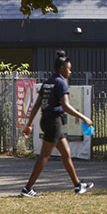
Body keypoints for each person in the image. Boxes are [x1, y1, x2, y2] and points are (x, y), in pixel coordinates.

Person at [18, 53, 93, 196]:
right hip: (54, 122)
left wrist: (29, 124)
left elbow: (36, 106)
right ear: (62, 68)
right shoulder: (61, 82)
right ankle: (27, 188)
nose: (70, 72)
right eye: (69, 69)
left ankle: (78, 185)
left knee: (66, 154)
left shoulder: (47, 82)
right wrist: (84, 118)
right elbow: (65, 106)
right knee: (45, 155)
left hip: (46, 120)